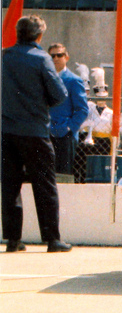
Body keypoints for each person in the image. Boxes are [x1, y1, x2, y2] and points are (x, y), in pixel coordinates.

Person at [1, 15, 72, 253]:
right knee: (45, 185)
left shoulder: (4, 57)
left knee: (10, 187)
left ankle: (13, 240)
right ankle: (52, 239)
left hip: (7, 131)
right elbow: (59, 94)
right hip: (35, 131)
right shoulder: (42, 59)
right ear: (39, 36)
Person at [46, 43, 89, 177]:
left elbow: (82, 109)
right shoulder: (44, 79)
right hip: (45, 134)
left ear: (67, 57)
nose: (56, 58)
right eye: (53, 56)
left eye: (60, 55)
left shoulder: (74, 80)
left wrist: (69, 127)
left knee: (63, 175)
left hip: (65, 135)